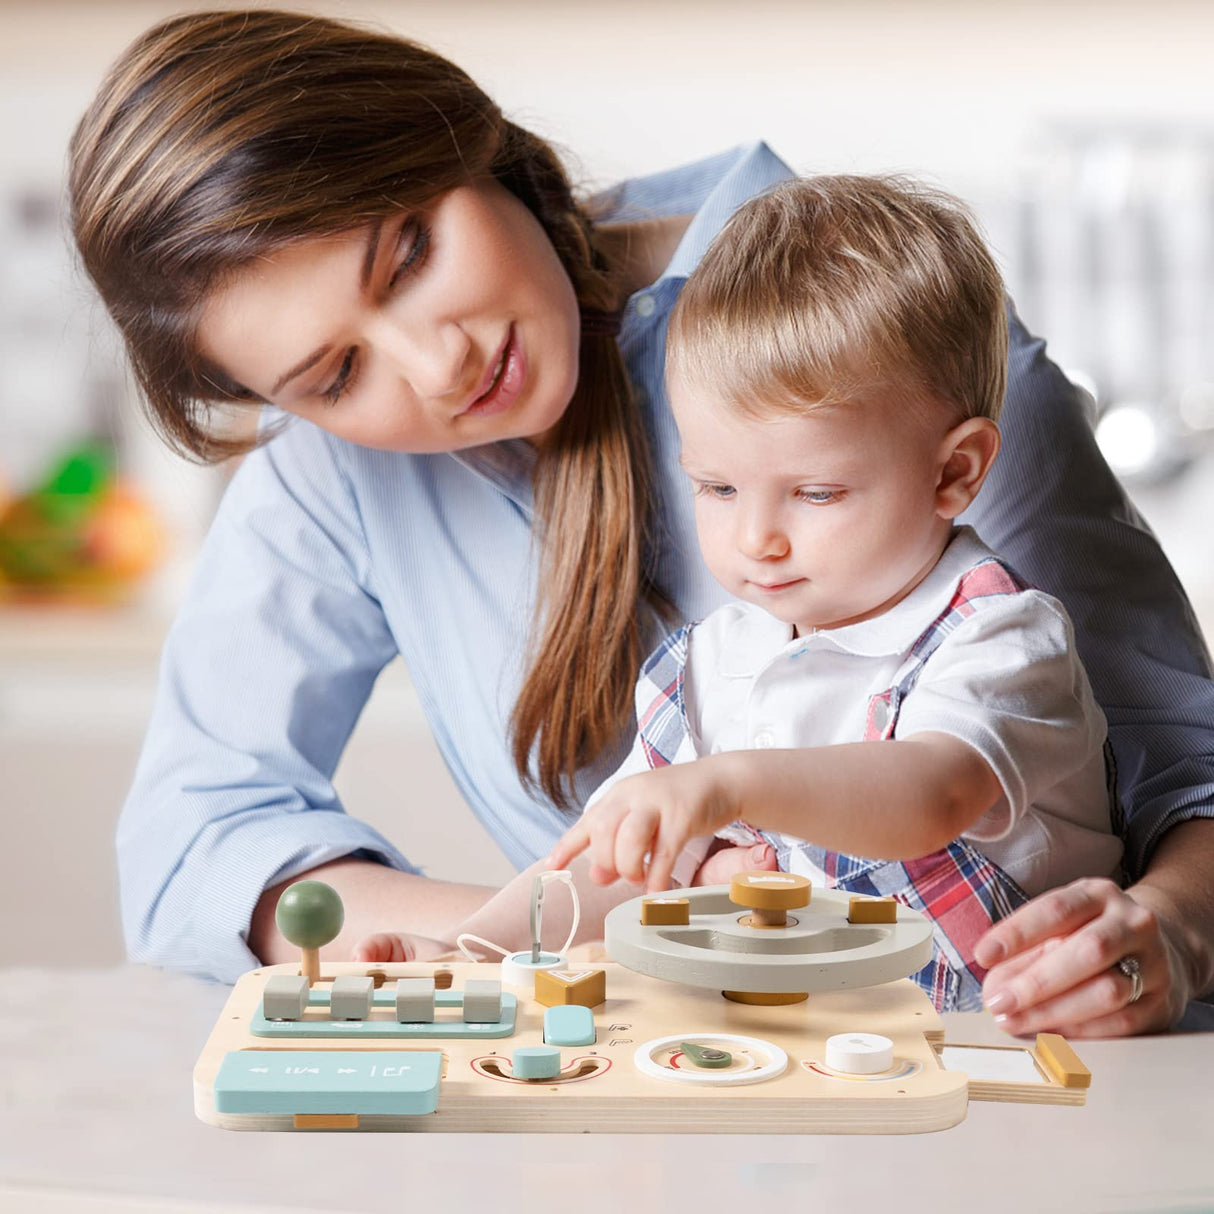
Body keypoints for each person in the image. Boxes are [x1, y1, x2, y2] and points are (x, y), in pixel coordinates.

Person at [67, 9, 1213, 1034]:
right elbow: (190, 848)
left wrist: (1166, 929)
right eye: (334, 374)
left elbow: (1174, 778)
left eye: (409, 252)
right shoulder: (341, 469)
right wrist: (512, 945)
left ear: (463, 135)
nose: (437, 362)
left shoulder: (867, 339)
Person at [545, 175, 1123, 1011]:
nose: (756, 539)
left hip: (1014, 1050)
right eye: (718, 488)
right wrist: (465, 949)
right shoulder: (712, 662)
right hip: (824, 1053)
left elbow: (930, 794)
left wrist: (728, 784)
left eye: (815, 493)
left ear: (954, 472)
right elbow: (608, 862)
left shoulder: (1000, 637)